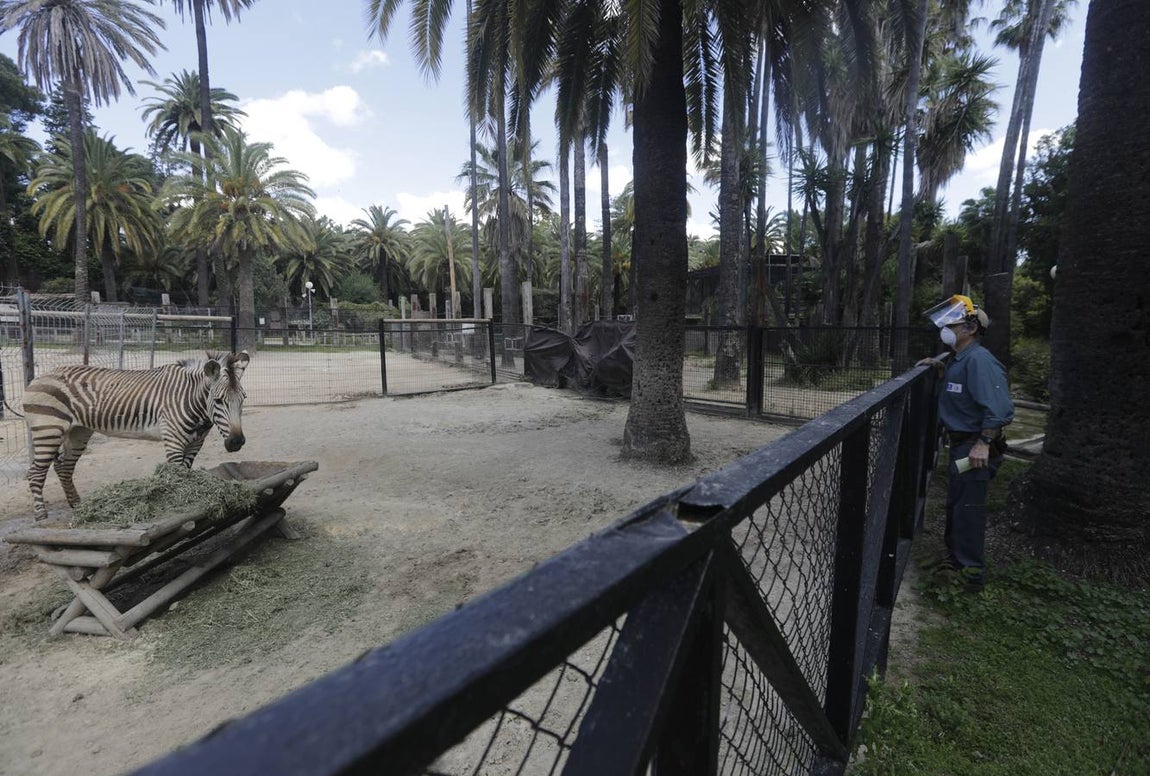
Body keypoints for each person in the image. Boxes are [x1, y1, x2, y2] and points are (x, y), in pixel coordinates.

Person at [918, 295, 1014, 592]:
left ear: (970, 329)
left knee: (968, 511)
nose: (945, 328)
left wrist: (983, 443)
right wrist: (939, 367)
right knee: (957, 505)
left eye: (952, 324)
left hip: (975, 448)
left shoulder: (979, 361)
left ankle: (970, 577)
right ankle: (955, 563)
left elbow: (999, 409)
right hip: (962, 446)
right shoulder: (959, 359)